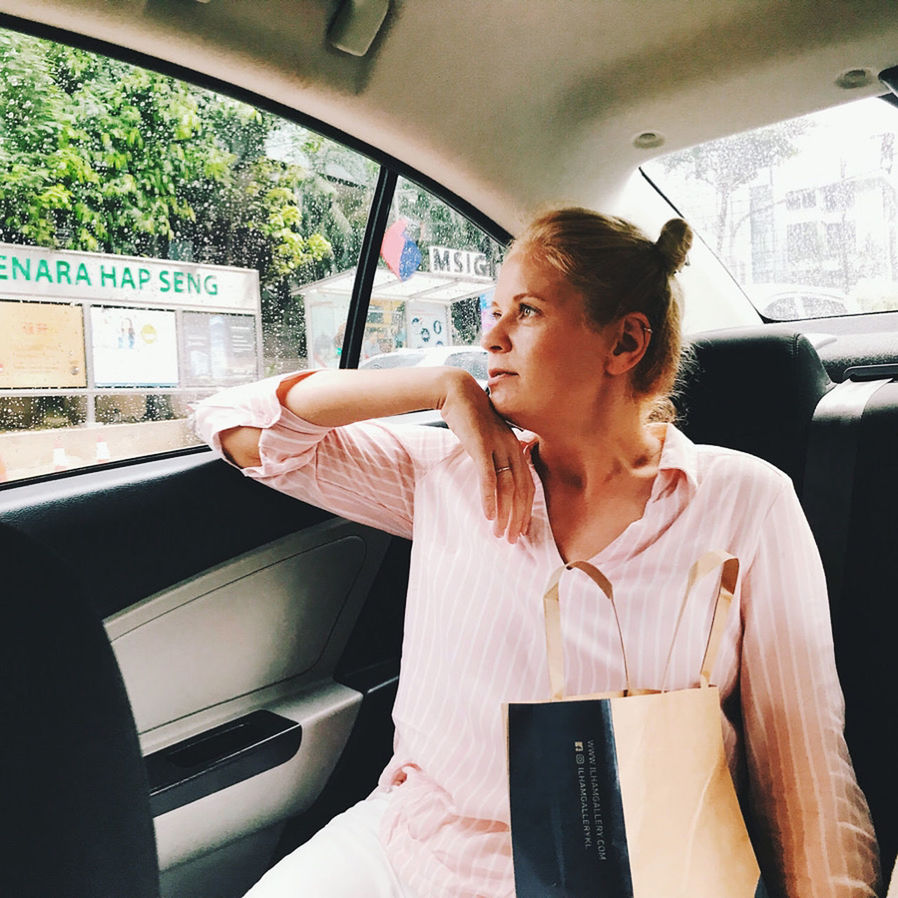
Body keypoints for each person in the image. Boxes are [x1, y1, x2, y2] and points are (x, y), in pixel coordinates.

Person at [194, 208, 879, 898]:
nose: (489, 337)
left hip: (638, 869)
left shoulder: (745, 502)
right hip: (414, 850)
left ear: (625, 342)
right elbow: (236, 422)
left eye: (525, 311)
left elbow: (804, 768)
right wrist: (442, 388)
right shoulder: (447, 475)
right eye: (492, 311)